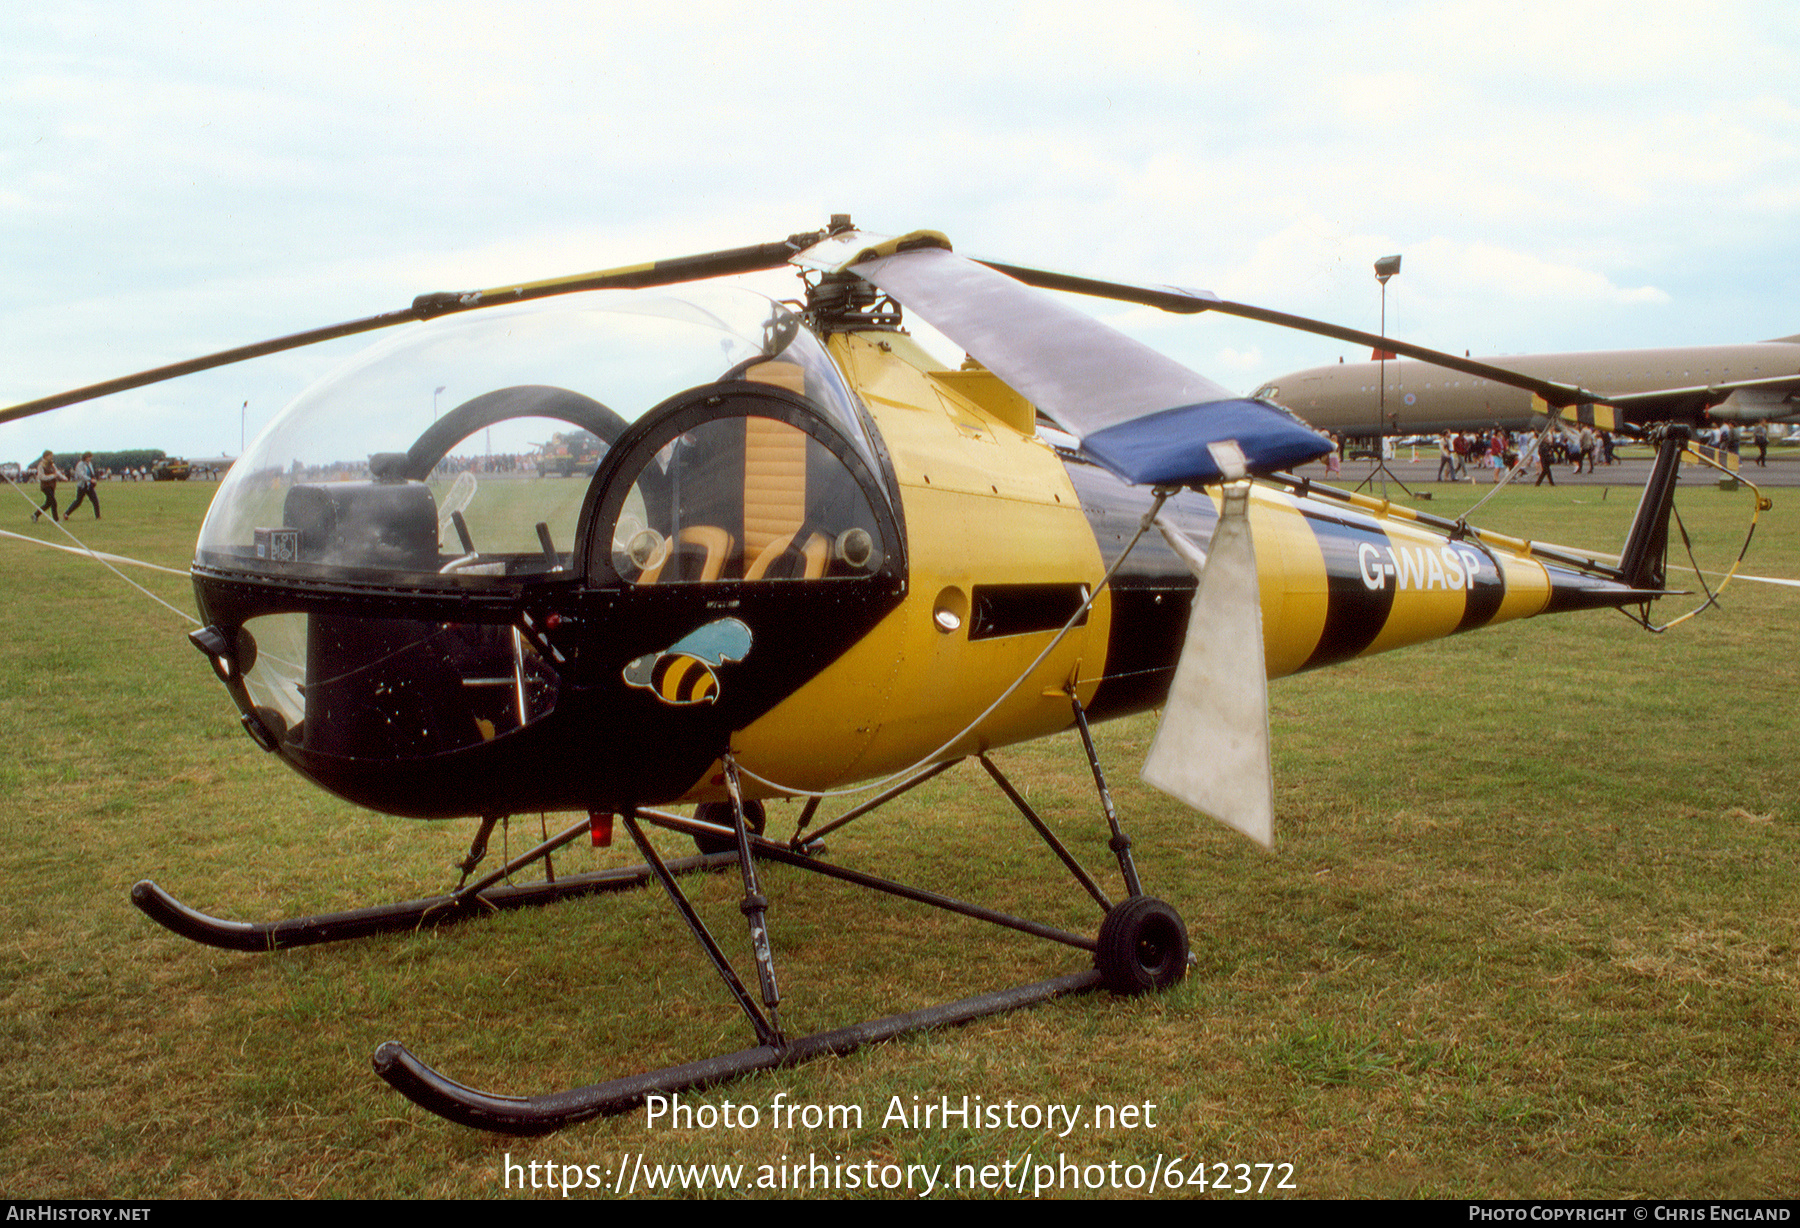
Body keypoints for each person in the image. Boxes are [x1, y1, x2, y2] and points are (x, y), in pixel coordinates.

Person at [27, 450, 67, 522]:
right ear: (45, 456)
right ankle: (56, 520)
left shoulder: (52, 464)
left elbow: (57, 472)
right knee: (54, 502)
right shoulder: (41, 465)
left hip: (52, 486)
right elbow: (41, 477)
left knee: (48, 503)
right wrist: (52, 476)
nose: (51, 457)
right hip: (45, 486)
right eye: (50, 456)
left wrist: (63, 477)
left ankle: (35, 515)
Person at [64, 452, 100, 520]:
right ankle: (66, 513)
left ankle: (98, 516)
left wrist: (93, 478)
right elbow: (81, 475)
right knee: (78, 502)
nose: (90, 459)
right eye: (89, 457)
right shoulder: (80, 465)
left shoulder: (89, 464)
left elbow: (91, 473)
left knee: (95, 500)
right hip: (82, 486)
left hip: (89, 486)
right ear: (85, 457)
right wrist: (90, 479)